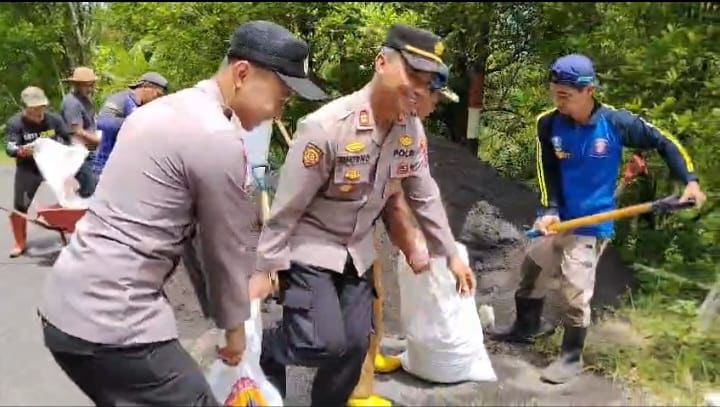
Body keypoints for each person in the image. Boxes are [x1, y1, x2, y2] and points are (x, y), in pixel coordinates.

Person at [38, 20, 327, 406]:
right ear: (242, 73)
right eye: (281, 96)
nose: (279, 110)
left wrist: (222, 317)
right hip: (114, 324)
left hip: (63, 307)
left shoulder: (162, 111)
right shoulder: (217, 139)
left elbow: (196, 238)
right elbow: (223, 253)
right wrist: (235, 332)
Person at [250, 24, 476, 406]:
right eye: (412, 75)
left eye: (427, 83)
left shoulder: (410, 132)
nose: (418, 89)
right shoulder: (326, 127)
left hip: (356, 252)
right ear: (381, 63)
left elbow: (424, 195)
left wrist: (450, 254)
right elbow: (286, 209)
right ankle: (273, 346)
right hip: (308, 246)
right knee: (320, 342)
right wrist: (265, 267)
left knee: (356, 345)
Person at [490, 53, 706, 384]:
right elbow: (547, 171)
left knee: (575, 288)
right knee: (533, 268)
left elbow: (664, 141)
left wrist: (689, 180)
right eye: (555, 94)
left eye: (565, 95)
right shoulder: (548, 124)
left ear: (588, 90)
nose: (558, 101)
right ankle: (526, 327)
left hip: (593, 223)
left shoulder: (616, 124)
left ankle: (570, 357)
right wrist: (549, 209)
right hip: (558, 218)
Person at [349, 64, 460, 407]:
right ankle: (356, 390)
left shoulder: (411, 128)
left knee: (375, 295)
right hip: (340, 228)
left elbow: (417, 187)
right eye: (436, 97)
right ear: (420, 91)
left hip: (366, 221)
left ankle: (371, 356)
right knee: (355, 304)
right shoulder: (363, 123)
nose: (436, 106)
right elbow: (392, 197)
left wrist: (433, 244)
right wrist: (412, 243)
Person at [4, 86, 74, 257]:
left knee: (72, 199)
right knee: (20, 205)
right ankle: (20, 242)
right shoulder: (15, 123)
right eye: (33, 108)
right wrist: (20, 151)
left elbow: (68, 139)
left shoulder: (54, 120)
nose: (37, 111)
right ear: (24, 107)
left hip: (53, 165)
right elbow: (10, 147)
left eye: (40, 107)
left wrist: (59, 147)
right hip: (28, 167)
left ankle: (76, 234)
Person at [92, 72, 169, 176]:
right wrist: (135, 122)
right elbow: (103, 123)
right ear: (145, 87)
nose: (157, 99)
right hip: (104, 166)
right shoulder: (120, 99)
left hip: (126, 168)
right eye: (157, 94)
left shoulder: (144, 108)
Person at [60, 66, 101, 197]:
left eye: (92, 85)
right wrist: (99, 141)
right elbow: (77, 131)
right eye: (87, 85)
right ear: (77, 85)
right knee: (89, 189)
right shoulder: (72, 103)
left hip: (88, 151)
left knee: (97, 187)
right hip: (76, 153)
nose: (90, 89)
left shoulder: (85, 100)